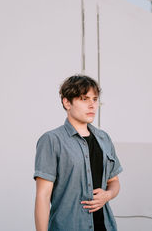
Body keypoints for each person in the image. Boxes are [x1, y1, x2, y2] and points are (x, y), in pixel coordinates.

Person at [34, 75, 123, 231]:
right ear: (67, 102)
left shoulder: (104, 138)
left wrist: (107, 195)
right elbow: (43, 196)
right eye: (84, 99)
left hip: (105, 226)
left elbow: (114, 182)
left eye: (95, 99)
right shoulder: (52, 140)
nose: (92, 105)